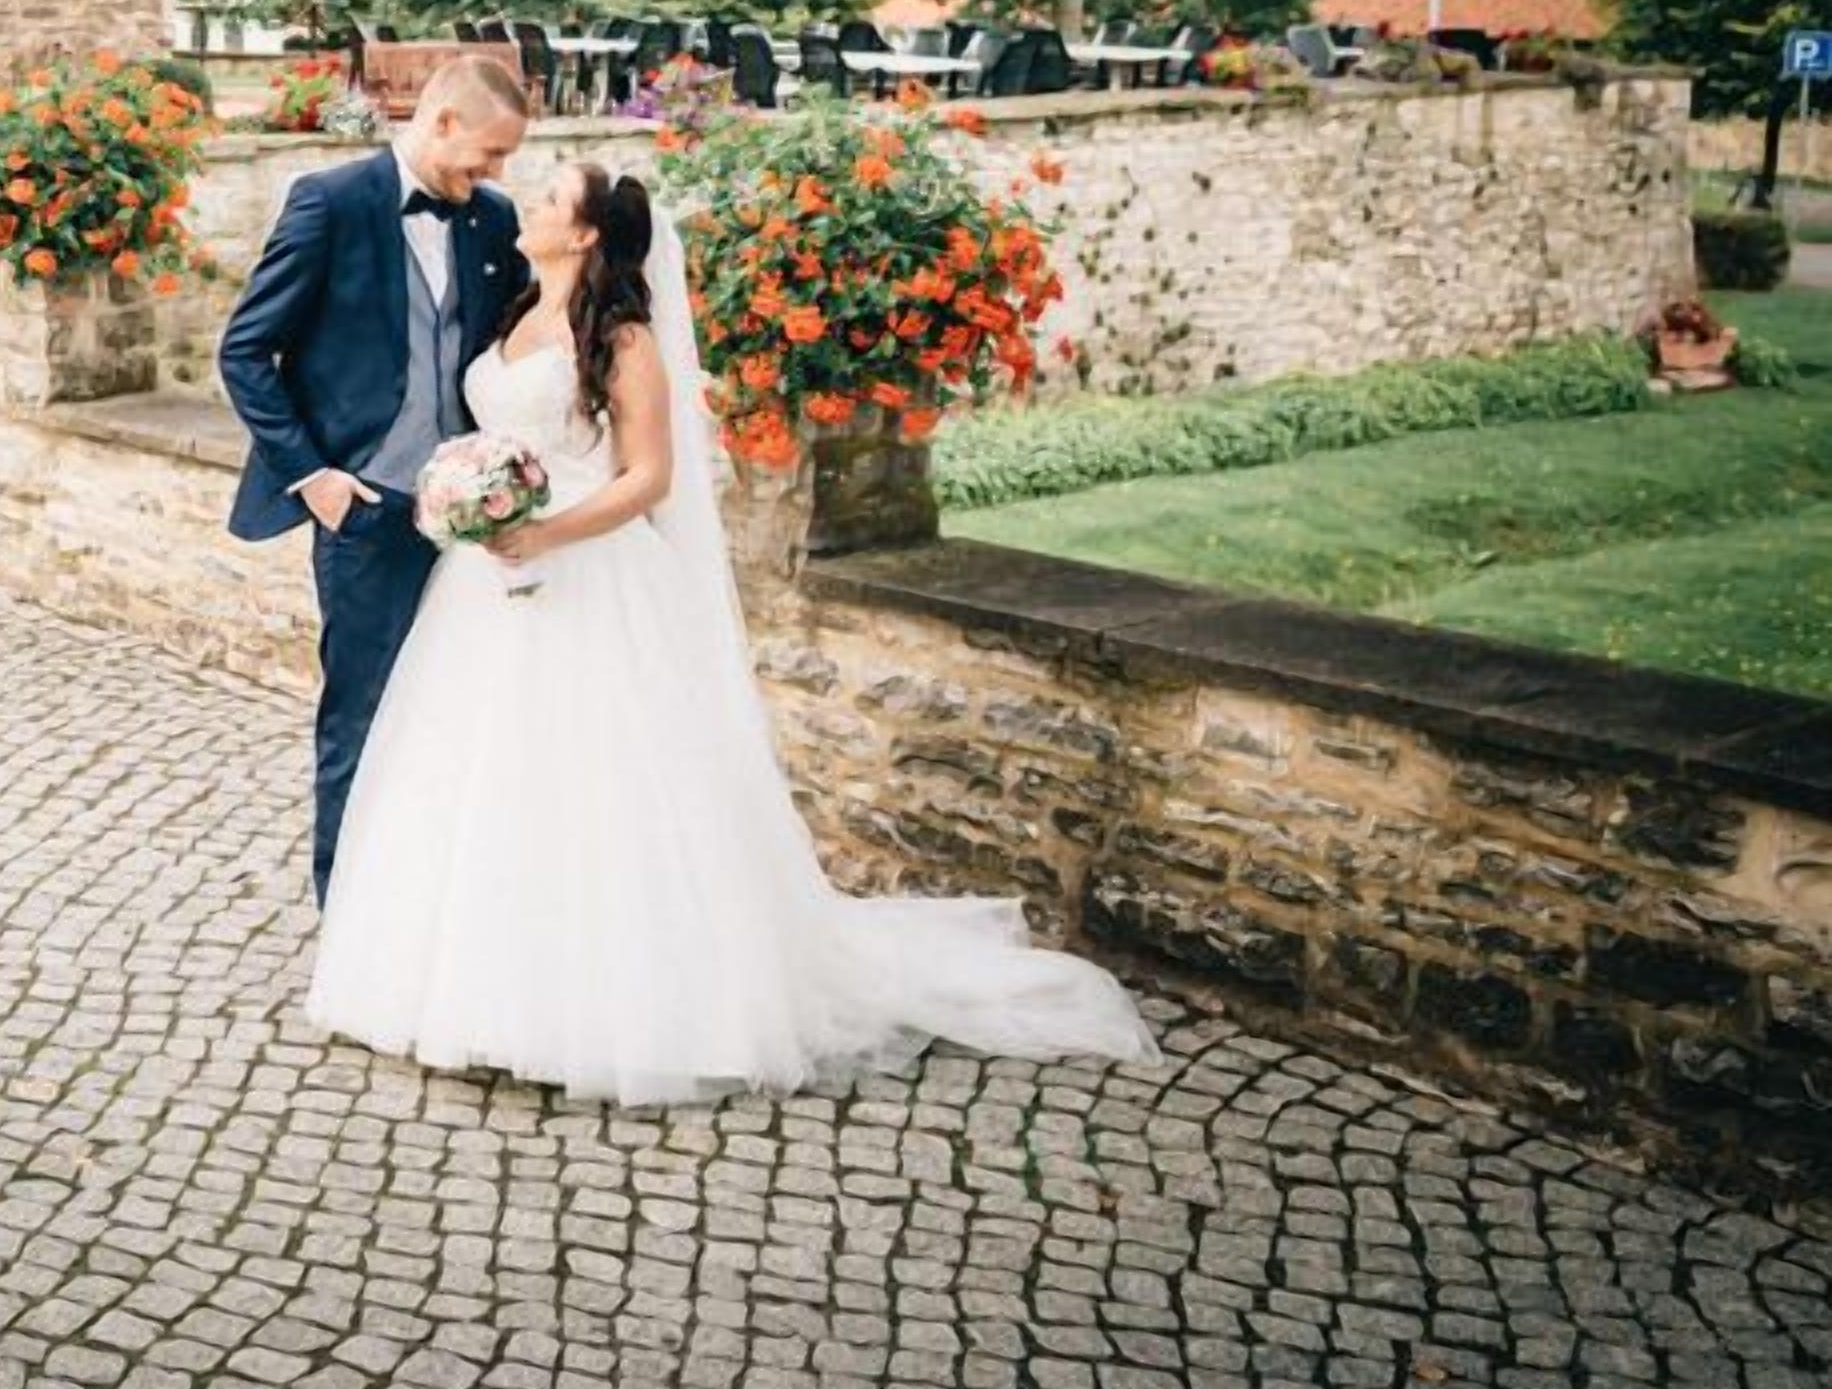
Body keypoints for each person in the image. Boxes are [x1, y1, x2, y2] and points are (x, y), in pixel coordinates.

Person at [304, 157, 1160, 1101]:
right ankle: (468, 984)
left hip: (587, 573)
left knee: (598, 788)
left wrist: (543, 530)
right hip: (483, 586)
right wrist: (471, 503)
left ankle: (606, 1004)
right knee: (482, 774)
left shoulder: (623, 341)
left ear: (585, 233)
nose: (532, 201)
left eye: (552, 198)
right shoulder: (514, 316)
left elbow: (646, 479)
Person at [215, 55, 532, 904]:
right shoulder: (329, 202)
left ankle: (434, 902)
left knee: (462, 710)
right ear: (442, 123)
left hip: (473, 515)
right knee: (362, 712)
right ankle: (346, 907)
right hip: (365, 509)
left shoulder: (493, 221)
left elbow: (521, 344)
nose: (497, 174)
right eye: (490, 154)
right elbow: (245, 353)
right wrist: (313, 475)